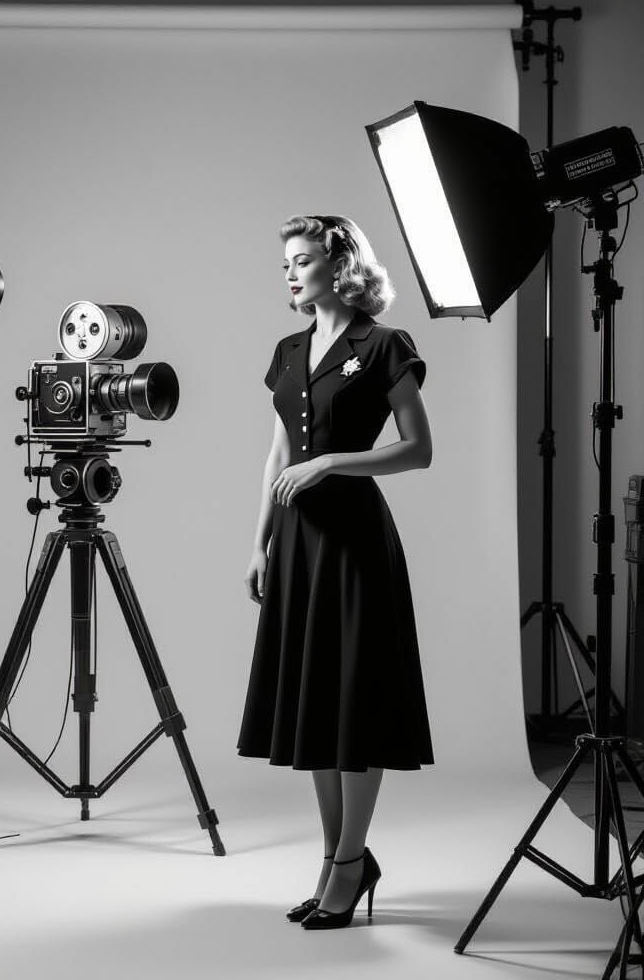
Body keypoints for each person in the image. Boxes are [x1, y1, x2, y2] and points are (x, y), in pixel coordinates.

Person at [237, 214, 433, 931]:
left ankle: (350, 863)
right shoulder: (288, 350)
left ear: (340, 264)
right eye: (286, 262)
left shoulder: (383, 344)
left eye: (303, 260)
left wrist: (329, 463)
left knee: (355, 701)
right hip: (297, 543)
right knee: (316, 699)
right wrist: (259, 544)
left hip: (354, 543)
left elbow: (418, 449)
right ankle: (335, 859)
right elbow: (276, 455)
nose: (290, 272)